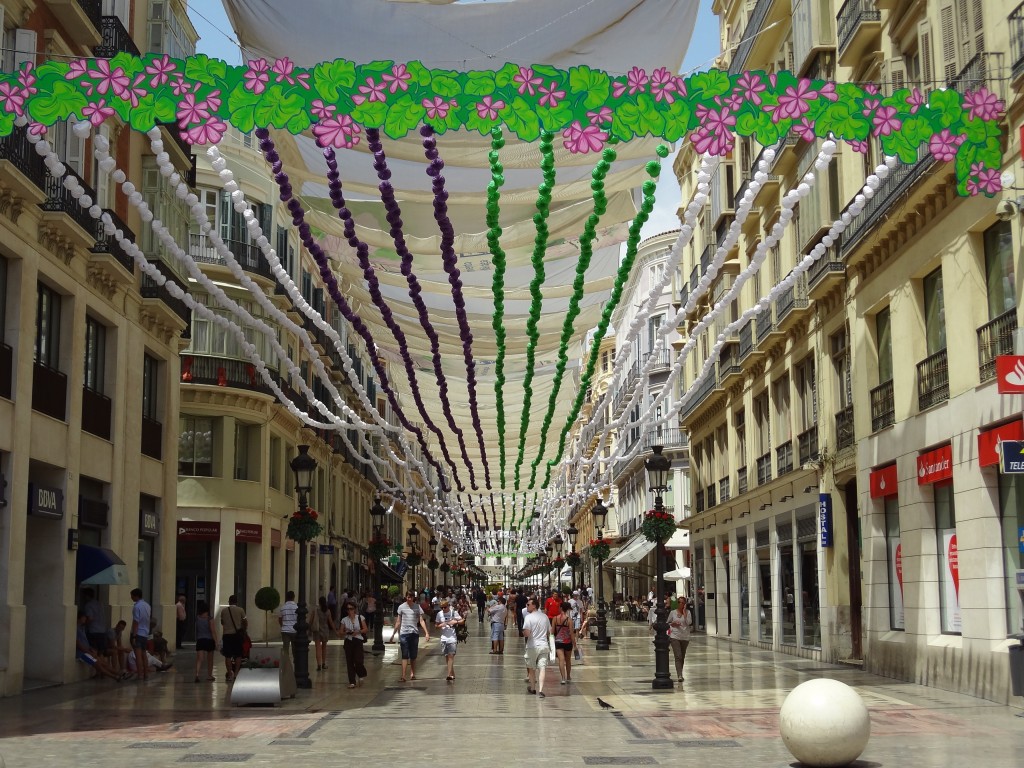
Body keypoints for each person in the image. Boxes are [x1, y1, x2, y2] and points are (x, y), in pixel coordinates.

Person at [389, 591, 430, 681]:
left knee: (413, 655)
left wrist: (426, 632)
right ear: (405, 597)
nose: (409, 599)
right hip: (404, 634)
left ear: (413, 598)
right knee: (404, 654)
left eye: (411, 597)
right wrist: (393, 634)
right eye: (408, 597)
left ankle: (412, 674)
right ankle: (403, 675)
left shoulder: (417, 607)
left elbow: (421, 620)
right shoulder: (401, 607)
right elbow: (398, 621)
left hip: (414, 633)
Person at [74, 612, 122, 681]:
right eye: (84, 617)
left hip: (87, 650)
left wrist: (90, 649)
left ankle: (118, 673)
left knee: (103, 662)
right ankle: (114, 676)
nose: (85, 619)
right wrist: (88, 651)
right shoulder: (76, 629)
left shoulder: (82, 628)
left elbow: (84, 641)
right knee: (98, 665)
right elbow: (78, 644)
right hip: (82, 653)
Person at [523, 597, 551, 697]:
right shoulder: (545, 617)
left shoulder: (528, 617)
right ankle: (541, 690)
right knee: (542, 667)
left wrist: (524, 632)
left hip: (532, 646)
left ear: (534, 605)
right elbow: (549, 632)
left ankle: (533, 688)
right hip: (544, 645)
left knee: (531, 668)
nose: (527, 606)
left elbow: (526, 633)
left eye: (528, 605)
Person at [338, 601, 368, 688]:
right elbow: (340, 632)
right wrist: (345, 632)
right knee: (349, 662)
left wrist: (358, 631)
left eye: (351, 609)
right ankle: (352, 681)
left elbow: (365, 629)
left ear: (354, 609)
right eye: (348, 609)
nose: (349, 611)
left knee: (358, 660)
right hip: (348, 641)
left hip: (358, 641)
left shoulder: (360, 618)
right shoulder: (344, 620)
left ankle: (361, 674)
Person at [219, 594, 247, 682]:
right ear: (236, 602)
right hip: (237, 635)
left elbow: (222, 622)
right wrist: (243, 630)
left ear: (229, 602)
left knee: (227, 655)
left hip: (227, 635)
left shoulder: (224, 611)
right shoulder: (240, 610)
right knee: (238, 655)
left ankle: (229, 674)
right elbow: (245, 621)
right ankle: (236, 674)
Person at [435, 598, 463, 682]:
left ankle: (448, 675)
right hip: (443, 638)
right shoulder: (439, 614)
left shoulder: (453, 612)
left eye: (445, 607)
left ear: (448, 606)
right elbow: (436, 625)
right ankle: (452, 674)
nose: (443, 609)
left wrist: (456, 622)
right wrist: (440, 625)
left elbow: (462, 621)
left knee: (451, 656)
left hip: (452, 638)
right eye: (442, 607)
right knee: (447, 657)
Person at [667, 594, 693, 683]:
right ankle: (679, 675)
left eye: (683, 603)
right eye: (679, 602)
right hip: (675, 636)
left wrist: (685, 614)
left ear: (685, 604)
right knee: (678, 656)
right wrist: (672, 624)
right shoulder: (673, 612)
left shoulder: (688, 613)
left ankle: (680, 672)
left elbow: (689, 623)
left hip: (685, 637)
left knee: (682, 657)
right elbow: (667, 623)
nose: (681, 604)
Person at [129, 588, 152, 682]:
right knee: (144, 654)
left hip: (138, 633)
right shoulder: (147, 605)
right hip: (145, 633)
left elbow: (136, 622)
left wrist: (134, 635)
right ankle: (146, 674)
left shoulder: (136, 607)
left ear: (136, 596)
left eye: (132, 596)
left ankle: (139, 675)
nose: (131, 598)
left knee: (138, 655)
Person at [81, 588, 108, 661]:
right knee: (101, 652)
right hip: (102, 631)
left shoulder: (88, 605)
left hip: (93, 631)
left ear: (86, 596)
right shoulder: (100, 604)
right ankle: (102, 670)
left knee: (94, 651)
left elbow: (90, 618)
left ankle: (98, 668)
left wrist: (83, 625)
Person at [552, 600, 575, 684]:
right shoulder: (569, 620)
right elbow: (572, 633)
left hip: (558, 641)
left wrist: (551, 642)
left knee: (561, 660)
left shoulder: (555, 618)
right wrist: (575, 645)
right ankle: (568, 676)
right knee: (568, 660)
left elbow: (552, 632)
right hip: (568, 641)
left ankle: (563, 678)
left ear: (561, 608)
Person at [193, 599, 217, 682]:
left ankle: (197, 674)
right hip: (209, 640)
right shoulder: (210, 619)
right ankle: (209, 675)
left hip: (200, 640)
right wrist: (216, 642)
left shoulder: (197, 618)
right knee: (210, 659)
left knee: (199, 658)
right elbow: (213, 631)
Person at [311, 595, 335, 671]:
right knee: (324, 648)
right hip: (325, 630)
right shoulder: (328, 611)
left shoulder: (316, 610)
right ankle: (324, 663)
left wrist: (308, 628)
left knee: (318, 648)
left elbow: (311, 620)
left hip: (317, 630)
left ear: (319, 602)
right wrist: (335, 631)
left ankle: (319, 664)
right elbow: (330, 622)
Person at [277, 590, 298, 658]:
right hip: (294, 630)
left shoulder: (283, 607)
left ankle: (286, 664)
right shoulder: (296, 607)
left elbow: (280, 619)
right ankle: (296, 663)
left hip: (285, 630)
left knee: (285, 649)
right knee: (295, 649)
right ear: (293, 597)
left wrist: (283, 626)